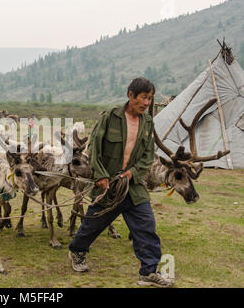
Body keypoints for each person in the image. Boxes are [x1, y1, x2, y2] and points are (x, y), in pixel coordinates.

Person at [68, 77, 174, 287]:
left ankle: (148, 271)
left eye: (150, 99)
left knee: (146, 227)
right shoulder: (110, 117)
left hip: (133, 186)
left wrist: (133, 173)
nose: (147, 103)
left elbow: (147, 155)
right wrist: (101, 176)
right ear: (130, 95)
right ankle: (77, 251)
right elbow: (94, 149)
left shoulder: (147, 122)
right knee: (93, 224)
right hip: (108, 185)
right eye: (144, 98)